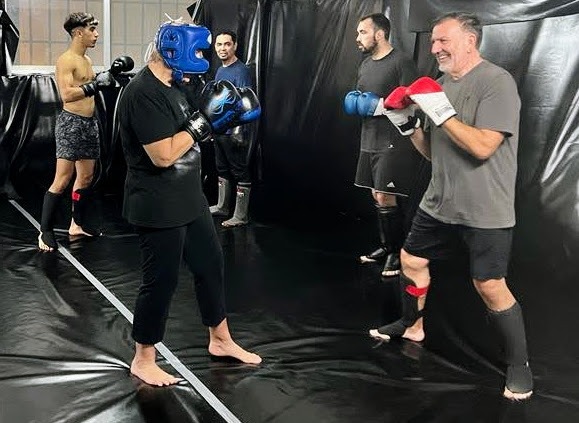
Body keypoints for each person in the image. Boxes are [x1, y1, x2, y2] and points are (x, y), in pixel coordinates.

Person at [370, 12, 533, 400]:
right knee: (411, 259)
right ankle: (413, 325)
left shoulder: (496, 82)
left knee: (489, 285)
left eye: (443, 40)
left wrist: (442, 112)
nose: (435, 48)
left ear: (470, 41)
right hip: (439, 200)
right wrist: (408, 125)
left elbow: (482, 147)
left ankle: (519, 364)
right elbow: (434, 152)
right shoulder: (440, 86)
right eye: (432, 42)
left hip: (485, 207)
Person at [116, 19, 262, 386]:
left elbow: (197, 131)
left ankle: (220, 340)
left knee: (210, 265)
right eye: (195, 50)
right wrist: (203, 124)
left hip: (189, 196)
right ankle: (143, 358)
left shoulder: (178, 85)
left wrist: (221, 121)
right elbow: (163, 155)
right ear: (173, 47)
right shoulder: (142, 93)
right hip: (157, 202)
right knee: (161, 281)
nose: (200, 58)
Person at [38, 13, 133, 252]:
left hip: (89, 123)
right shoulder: (66, 60)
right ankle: (45, 231)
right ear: (79, 32)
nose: (96, 34)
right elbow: (67, 95)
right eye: (92, 29)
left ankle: (76, 224)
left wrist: (109, 76)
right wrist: (95, 84)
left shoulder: (87, 60)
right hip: (71, 124)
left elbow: (90, 87)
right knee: (62, 179)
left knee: (87, 178)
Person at [343, 13, 421, 277]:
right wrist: (359, 103)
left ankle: (397, 253)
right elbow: (362, 98)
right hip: (369, 138)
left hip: (392, 141)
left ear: (379, 34)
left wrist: (380, 106)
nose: (358, 38)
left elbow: (414, 102)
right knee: (375, 195)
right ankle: (388, 246)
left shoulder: (401, 62)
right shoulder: (365, 64)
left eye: (363, 32)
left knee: (385, 195)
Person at [209, 30, 256, 227]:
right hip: (219, 130)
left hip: (233, 132)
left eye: (227, 44)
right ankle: (222, 207)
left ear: (235, 46)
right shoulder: (220, 70)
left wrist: (239, 131)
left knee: (239, 171)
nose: (223, 48)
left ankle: (241, 216)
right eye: (219, 44)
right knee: (221, 168)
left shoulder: (241, 71)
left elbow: (245, 103)